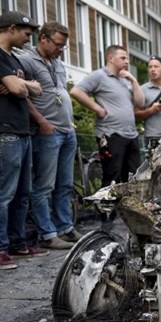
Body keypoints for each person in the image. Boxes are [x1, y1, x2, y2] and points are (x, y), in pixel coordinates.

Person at [18, 21, 81, 250]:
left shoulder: (57, 62)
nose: (60, 49)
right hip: (46, 133)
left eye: (64, 45)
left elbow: (59, 92)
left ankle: (65, 227)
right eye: (57, 44)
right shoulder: (26, 60)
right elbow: (21, 94)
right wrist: (42, 122)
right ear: (43, 38)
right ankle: (48, 233)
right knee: (44, 186)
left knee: (64, 184)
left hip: (66, 131)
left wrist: (70, 123)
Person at [70, 45, 144, 228]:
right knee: (111, 175)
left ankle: (131, 216)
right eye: (123, 58)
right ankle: (106, 219)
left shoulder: (125, 80)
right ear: (111, 58)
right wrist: (97, 108)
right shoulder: (99, 76)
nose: (127, 61)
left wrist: (134, 80)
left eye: (127, 58)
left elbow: (141, 103)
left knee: (133, 177)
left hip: (131, 134)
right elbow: (76, 91)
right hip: (110, 135)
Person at [0, 11, 47, 270]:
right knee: (4, 193)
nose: (28, 39)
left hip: (22, 131)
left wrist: (20, 83)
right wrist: (22, 85)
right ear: (12, 28)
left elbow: (37, 89)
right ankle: (1, 248)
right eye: (26, 34)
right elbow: (20, 90)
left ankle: (18, 243)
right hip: (5, 131)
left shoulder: (13, 59)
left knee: (22, 193)